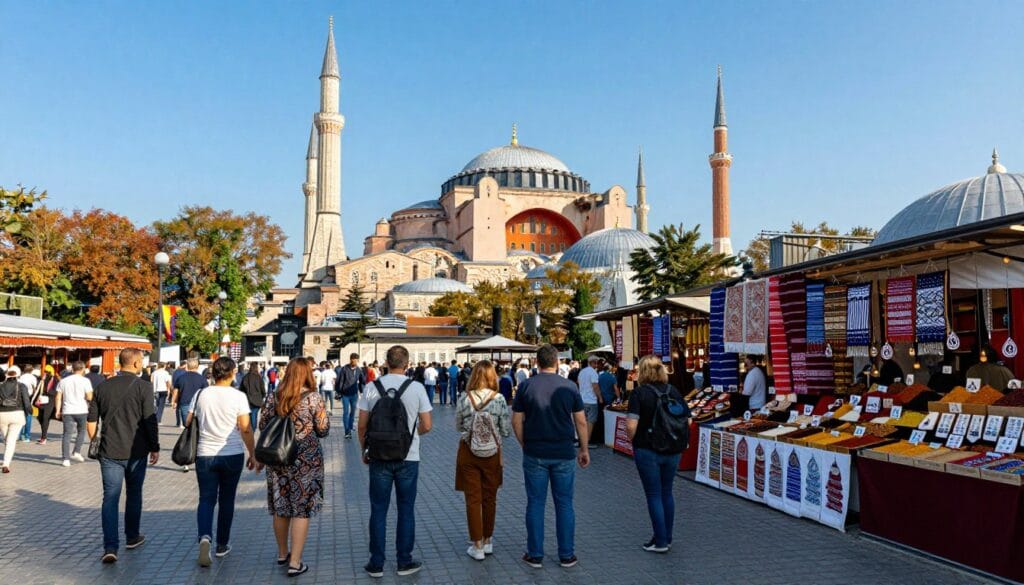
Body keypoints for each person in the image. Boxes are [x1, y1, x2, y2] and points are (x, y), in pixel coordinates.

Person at [512, 344, 590, 569]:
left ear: (537, 363)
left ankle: (535, 554)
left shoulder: (526, 386)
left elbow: (516, 421)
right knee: (564, 503)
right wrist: (583, 449)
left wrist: (524, 443)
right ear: (557, 363)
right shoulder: (569, 387)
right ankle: (567, 554)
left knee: (535, 503)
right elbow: (581, 421)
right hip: (564, 452)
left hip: (535, 452)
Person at [358, 345, 432, 578]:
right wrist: (411, 435)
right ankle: (404, 561)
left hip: (378, 456)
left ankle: (376, 563)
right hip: (408, 457)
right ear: (407, 364)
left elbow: (361, 425)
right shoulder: (417, 388)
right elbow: (428, 425)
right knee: (406, 509)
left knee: (378, 509)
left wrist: (364, 449)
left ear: (386, 363)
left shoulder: (371, 388)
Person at [87, 348, 160, 563]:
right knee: (134, 493)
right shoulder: (143, 387)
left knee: (110, 497)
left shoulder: (102, 387)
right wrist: (154, 446)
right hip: (137, 452)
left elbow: (92, 422)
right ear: (136, 364)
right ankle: (132, 536)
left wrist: (96, 441)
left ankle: (110, 546)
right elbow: (149, 420)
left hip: (109, 451)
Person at [260, 357, 330, 578]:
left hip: (278, 457)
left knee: (281, 506)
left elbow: (263, 425)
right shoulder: (314, 398)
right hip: (306, 460)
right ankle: (295, 562)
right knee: (301, 508)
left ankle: (283, 554)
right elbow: (323, 429)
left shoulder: (274, 395)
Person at [187, 357, 259, 567]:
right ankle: (222, 544)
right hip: (232, 453)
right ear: (232, 373)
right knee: (227, 499)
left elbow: (189, 421)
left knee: (206, 498)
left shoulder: (201, 394)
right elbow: (245, 428)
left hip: (205, 453)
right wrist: (253, 453)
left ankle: (204, 537)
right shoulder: (238, 396)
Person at [625, 356, 691, 553]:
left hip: (647, 449)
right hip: (673, 450)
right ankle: (666, 537)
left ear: (642, 372)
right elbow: (687, 421)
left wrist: (633, 440)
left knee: (653, 494)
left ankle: (660, 541)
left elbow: (631, 425)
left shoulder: (639, 394)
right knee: (666, 492)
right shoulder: (674, 391)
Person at [455, 360, 512, 561]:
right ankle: (488, 540)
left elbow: (458, 426)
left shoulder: (464, 397)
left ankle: (476, 545)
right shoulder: (499, 399)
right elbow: (505, 430)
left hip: (469, 451)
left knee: (473, 499)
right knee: (490, 497)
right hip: (492, 453)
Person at [171, 358, 209, 472]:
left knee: (188, 431)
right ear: (197, 366)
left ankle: (186, 461)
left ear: (187, 366)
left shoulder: (181, 377)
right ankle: (198, 457)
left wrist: (174, 401)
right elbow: (206, 392)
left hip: (185, 405)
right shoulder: (202, 379)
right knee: (199, 432)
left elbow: (176, 391)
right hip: (199, 407)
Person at [55, 361, 93, 467]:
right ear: (83, 369)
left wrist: (58, 410)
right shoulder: (86, 381)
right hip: (82, 409)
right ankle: (76, 452)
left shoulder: (63, 381)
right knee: (81, 431)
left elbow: (58, 397)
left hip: (67, 410)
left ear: (72, 369)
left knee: (67, 434)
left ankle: (66, 458)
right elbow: (90, 397)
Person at [0, 366, 32, 473]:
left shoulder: (0, 386)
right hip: (17, 414)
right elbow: (27, 403)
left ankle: (6, 459)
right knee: (11, 440)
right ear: (18, 375)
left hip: (2, 415)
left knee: (7, 439)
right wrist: (29, 412)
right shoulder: (21, 386)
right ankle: (6, 463)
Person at [336, 353, 366, 439]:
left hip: (354, 395)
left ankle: (350, 426)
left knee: (352, 413)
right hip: (345, 394)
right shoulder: (344, 369)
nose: (355, 361)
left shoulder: (359, 370)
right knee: (346, 413)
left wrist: (362, 391)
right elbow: (340, 381)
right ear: (350, 359)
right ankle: (347, 431)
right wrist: (339, 392)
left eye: (356, 360)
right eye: (353, 359)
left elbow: (362, 381)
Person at [576, 356, 602, 444]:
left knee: (583, 421)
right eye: (596, 363)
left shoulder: (582, 371)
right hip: (591, 400)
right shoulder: (593, 372)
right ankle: (587, 441)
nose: (597, 365)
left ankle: (581, 439)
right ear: (593, 363)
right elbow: (595, 386)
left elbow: (578, 382)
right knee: (591, 421)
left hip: (582, 399)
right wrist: (600, 397)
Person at [32, 365, 60, 444]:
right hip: (42, 401)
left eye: (47, 372)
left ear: (51, 372)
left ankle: (43, 438)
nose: (45, 373)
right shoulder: (42, 379)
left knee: (45, 418)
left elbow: (56, 392)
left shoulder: (55, 380)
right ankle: (43, 435)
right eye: (45, 371)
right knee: (40, 418)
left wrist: (47, 391)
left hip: (50, 402)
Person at [240, 362, 266, 430]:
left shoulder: (245, 377)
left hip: (248, 400)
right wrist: (263, 396)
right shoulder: (259, 377)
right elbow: (263, 389)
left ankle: (251, 428)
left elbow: (241, 389)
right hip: (257, 400)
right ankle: (253, 429)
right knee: (254, 415)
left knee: (251, 415)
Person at [17, 365, 38, 442]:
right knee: (28, 416)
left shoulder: (21, 377)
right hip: (29, 398)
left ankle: (19, 435)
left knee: (20, 416)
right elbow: (35, 388)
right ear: (31, 370)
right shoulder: (33, 377)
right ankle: (27, 436)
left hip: (20, 398)